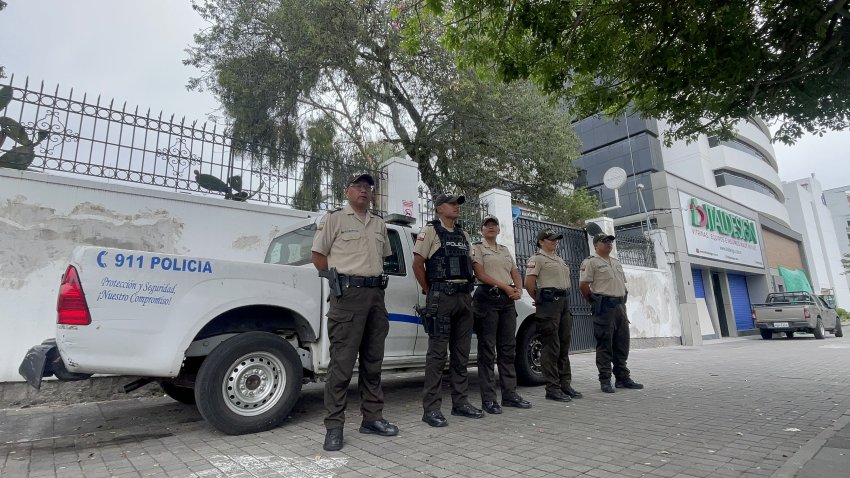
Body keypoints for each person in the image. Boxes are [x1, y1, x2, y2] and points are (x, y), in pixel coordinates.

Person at [311, 172, 398, 452]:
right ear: (346, 190)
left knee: (373, 363)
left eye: (368, 187)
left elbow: (383, 258)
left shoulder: (379, 224)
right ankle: (334, 426)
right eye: (358, 186)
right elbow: (318, 256)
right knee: (342, 365)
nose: (364, 191)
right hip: (347, 296)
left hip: (376, 296)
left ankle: (372, 418)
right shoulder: (334, 219)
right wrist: (337, 284)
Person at [413, 193, 484, 427]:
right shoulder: (430, 231)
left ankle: (460, 403)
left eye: (458, 204)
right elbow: (417, 264)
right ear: (439, 208)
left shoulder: (464, 234)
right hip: (442, 297)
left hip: (464, 298)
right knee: (437, 355)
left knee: (461, 355)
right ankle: (431, 409)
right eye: (452, 204)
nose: (456, 207)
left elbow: (471, 264)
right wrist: (430, 291)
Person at [471, 215, 532, 414]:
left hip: (506, 301)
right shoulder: (477, 248)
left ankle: (510, 395)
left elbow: (514, 271)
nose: (491, 227)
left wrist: (519, 289)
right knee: (487, 351)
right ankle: (489, 399)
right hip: (487, 299)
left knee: (508, 349)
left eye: (494, 225)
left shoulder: (505, 250)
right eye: (487, 225)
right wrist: (507, 287)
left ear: (498, 229)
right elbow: (480, 274)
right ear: (481, 229)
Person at [579, 232, 644, 394]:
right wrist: (595, 303)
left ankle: (622, 378)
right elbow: (583, 285)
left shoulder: (615, 262)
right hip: (604, 307)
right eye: (604, 241)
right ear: (596, 245)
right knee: (605, 344)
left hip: (620, 307)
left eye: (610, 241)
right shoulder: (591, 262)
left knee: (622, 343)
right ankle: (605, 380)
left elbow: (622, 284)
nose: (609, 243)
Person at [523, 228, 582, 402]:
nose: (555, 242)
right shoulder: (537, 259)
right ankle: (552, 388)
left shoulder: (559, 260)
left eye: (556, 239)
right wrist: (541, 300)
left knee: (564, 345)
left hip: (563, 302)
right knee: (551, 346)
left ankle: (565, 384)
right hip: (549, 303)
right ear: (541, 242)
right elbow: (529, 283)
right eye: (551, 239)